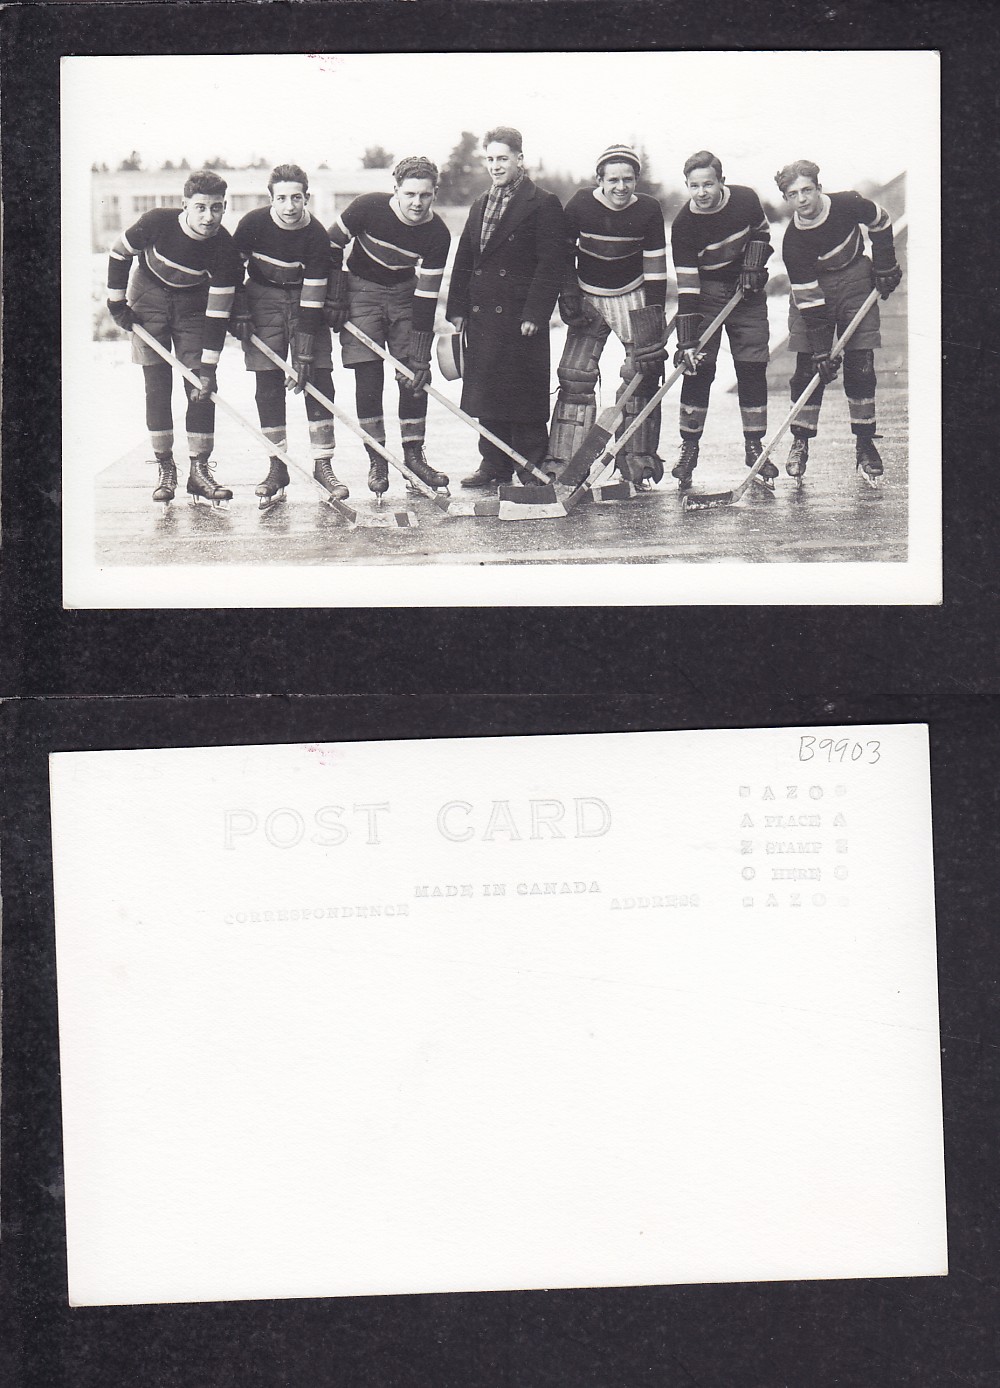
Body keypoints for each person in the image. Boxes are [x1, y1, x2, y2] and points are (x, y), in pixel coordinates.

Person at [105, 169, 242, 505]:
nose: (209, 217)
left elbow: (217, 313)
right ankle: (166, 469)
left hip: (194, 306)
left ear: (224, 207)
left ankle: (200, 470)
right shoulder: (157, 222)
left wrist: (208, 367)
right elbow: (118, 253)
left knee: (200, 387)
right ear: (185, 205)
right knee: (157, 383)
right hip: (147, 294)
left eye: (216, 207)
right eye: (200, 207)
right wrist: (116, 303)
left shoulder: (225, 248)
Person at [445, 126, 566, 490]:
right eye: (491, 159)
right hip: (483, 314)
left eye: (503, 158)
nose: (496, 166)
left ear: (519, 159)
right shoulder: (481, 203)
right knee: (487, 392)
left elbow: (551, 263)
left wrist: (535, 313)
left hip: (519, 316)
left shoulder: (542, 203)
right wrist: (457, 308)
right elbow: (466, 258)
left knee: (523, 392)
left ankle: (530, 464)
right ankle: (493, 463)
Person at [325, 156, 451, 497]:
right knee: (368, 378)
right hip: (360, 292)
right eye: (410, 194)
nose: (417, 202)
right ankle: (378, 459)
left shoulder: (438, 233)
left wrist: (420, 353)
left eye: (425, 195)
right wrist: (336, 294)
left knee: (414, 376)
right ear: (395, 190)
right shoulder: (368, 207)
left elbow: (426, 296)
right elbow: (331, 243)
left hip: (404, 296)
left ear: (434, 193)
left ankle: (413, 456)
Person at [547, 143, 668, 487]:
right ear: (599, 179)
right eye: (612, 179)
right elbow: (563, 252)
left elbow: (656, 268)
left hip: (632, 293)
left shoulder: (648, 209)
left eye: (627, 179)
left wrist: (653, 320)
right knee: (575, 375)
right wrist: (567, 291)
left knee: (641, 373)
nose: (620, 187)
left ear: (636, 179)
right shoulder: (582, 203)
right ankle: (564, 461)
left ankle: (637, 460)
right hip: (589, 294)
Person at [775, 159, 902, 483]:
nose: (802, 199)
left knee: (861, 365)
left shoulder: (847, 204)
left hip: (856, 281)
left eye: (807, 189)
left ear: (819, 187)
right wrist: (821, 350)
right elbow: (809, 298)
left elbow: (881, 220)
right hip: (814, 292)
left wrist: (885, 263)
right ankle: (800, 440)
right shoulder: (793, 242)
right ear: (786, 199)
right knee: (808, 368)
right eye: (793, 194)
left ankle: (864, 443)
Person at [230, 162, 347, 505]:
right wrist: (238, 309)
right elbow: (231, 269)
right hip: (261, 298)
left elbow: (312, 296)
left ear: (306, 198)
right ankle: (276, 465)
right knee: (267, 383)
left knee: (319, 377)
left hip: (303, 301)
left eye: (296, 198)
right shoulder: (252, 223)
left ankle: (322, 464)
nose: (289, 206)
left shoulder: (316, 235)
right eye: (281, 198)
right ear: (271, 198)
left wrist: (306, 350)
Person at [669, 151, 774, 489]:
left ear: (721, 181)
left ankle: (755, 447)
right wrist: (686, 340)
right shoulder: (684, 226)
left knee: (752, 366)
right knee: (698, 367)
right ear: (687, 186)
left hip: (748, 294)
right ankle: (689, 448)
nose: (701, 192)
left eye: (708, 184)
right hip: (706, 296)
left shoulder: (745, 199)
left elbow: (761, 233)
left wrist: (753, 266)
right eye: (694, 186)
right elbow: (687, 287)